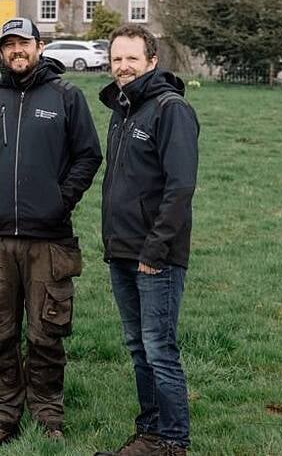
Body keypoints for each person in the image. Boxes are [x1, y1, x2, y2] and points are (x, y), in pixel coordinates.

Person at [0, 17, 102, 449]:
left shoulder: (66, 97)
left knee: (46, 333)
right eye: (9, 45)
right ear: (1, 51)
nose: (17, 51)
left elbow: (89, 156)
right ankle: (2, 414)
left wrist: (61, 200)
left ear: (40, 46)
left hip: (49, 240)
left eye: (24, 43)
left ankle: (48, 412)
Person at [94, 24, 199, 456]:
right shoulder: (124, 110)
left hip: (155, 254)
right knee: (139, 347)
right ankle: (150, 433)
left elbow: (179, 188)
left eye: (132, 58)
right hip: (122, 250)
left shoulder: (170, 109)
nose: (123, 66)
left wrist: (154, 250)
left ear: (152, 61)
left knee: (159, 349)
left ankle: (173, 442)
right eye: (117, 59)